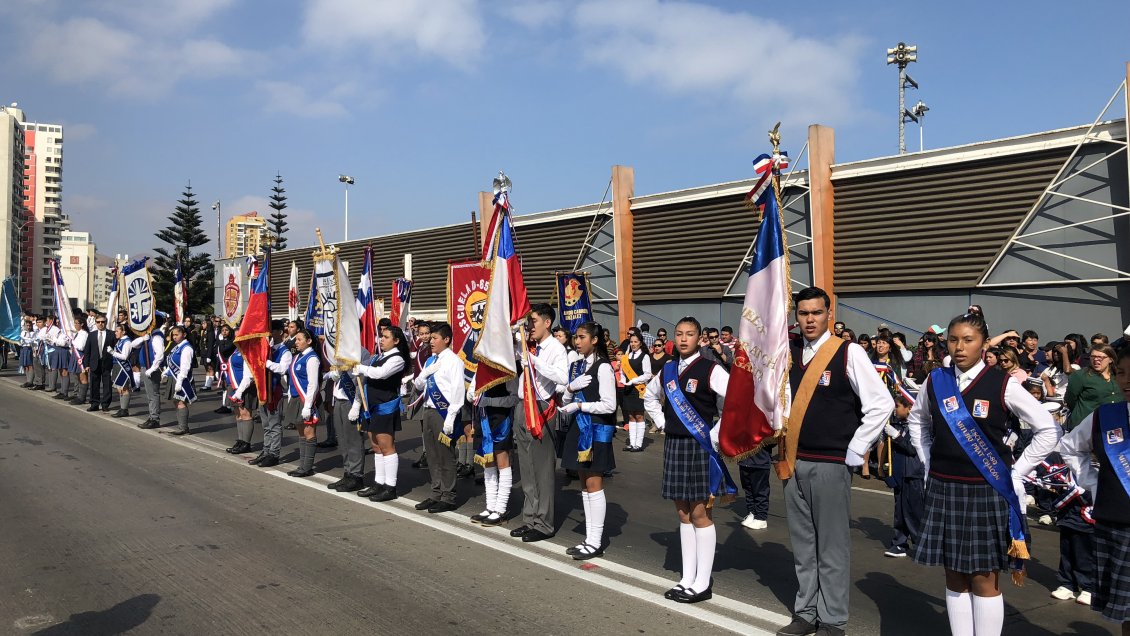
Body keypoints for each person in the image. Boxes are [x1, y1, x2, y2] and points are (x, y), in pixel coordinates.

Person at [907, 312, 1059, 636]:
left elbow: (1048, 429)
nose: (959, 347)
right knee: (954, 575)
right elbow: (917, 421)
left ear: (984, 344)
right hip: (944, 487)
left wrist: (1017, 472)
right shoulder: (936, 380)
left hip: (986, 489)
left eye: (968, 340)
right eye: (953, 340)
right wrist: (927, 462)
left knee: (983, 578)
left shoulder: (1002, 383)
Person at [775, 287, 893, 636]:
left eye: (816, 312)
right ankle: (806, 612)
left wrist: (856, 448)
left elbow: (881, 403)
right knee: (803, 545)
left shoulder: (847, 352)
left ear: (829, 313)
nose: (810, 319)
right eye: (803, 313)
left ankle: (832, 620)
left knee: (831, 546)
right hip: (793, 460)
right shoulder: (789, 353)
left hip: (830, 462)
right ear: (796, 317)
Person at [643, 316, 732, 605]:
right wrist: (662, 423)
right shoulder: (668, 369)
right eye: (679, 334)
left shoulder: (710, 368)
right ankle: (687, 577)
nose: (683, 339)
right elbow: (650, 397)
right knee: (682, 513)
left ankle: (702, 582)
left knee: (700, 514)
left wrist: (715, 434)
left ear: (699, 338)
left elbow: (732, 402)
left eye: (689, 334)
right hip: (674, 444)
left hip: (700, 446)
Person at [1057, 346, 1130, 632]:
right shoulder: (1106, 416)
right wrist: (1094, 483)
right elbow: (1070, 447)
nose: (1126, 381)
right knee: (1126, 613)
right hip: (1117, 522)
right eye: (1122, 373)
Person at [508, 303, 570, 542]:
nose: (529, 326)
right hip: (522, 406)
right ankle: (530, 518)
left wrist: (534, 361)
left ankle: (544, 523)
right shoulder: (528, 345)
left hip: (541, 409)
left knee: (542, 469)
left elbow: (562, 377)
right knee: (526, 467)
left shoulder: (556, 348)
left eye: (533, 321)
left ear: (547, 322)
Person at [558, 321, 617, 559]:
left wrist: (581, 405)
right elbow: (565, 400)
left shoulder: (603, 367)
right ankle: (589, 538)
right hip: (578, 429)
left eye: (582, 337)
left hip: (595, 429)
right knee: (584, 485)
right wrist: (570, 388)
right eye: (576, 337)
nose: (577, 341)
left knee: (594, 485)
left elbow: (609, 405)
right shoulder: (576, 366)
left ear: (594, 340)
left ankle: (596, 541)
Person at [411, 322, 466, 513]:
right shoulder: (430, 360)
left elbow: (458, 391)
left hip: (443, 412)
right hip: (428, 410)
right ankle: (436, 493)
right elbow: (418, 385)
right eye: (431, 338)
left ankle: (448, 496)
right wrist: (426, 373)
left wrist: (451, 417)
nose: (431, 341)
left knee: (445, 456)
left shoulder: (454, 361)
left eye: (435, 338)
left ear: (446, 339)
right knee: (432, 455)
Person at [352, 325, 409, 500]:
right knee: (376, 446)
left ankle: (390, 487)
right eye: (381, 336)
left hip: (385, 407)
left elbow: (380, 374)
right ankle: (379, 483)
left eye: (386, 337)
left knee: (387, 447)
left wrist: (362, 368)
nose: (381, 340)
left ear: (396, 340)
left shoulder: (397, 359)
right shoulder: (378, 356)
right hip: (371, 407)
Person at [323, 344, 371, 493]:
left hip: (351, 400)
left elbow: (361, 380)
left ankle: (356, 476)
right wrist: (334, 373)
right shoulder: (341, 351)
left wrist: (357, 404)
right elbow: (336, 374)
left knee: (354, 440)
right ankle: (348, 472)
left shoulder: (362, 353)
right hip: (339, 398)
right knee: (343, 440)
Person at [883, 394, 925, 558]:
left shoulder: (919, 426)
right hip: (900, 473)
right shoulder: (896, 424)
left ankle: (921, 545)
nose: (895, 409)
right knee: (899, 512)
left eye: (898, 406)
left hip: (913, 475)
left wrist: (897, 437)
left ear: (909, 408)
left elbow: (913, 449)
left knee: (915, 512)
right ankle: (899, 543)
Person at [252, 320, 292, 468]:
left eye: (272, 331)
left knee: (274, 424)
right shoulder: (267, 349)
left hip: (274, 390)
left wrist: (267, 363)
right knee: (265, 424)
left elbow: (283, 369)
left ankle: (274, 454)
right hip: (263, 389)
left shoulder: (285, 351)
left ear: (280, 332)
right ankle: (266, 450)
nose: (269, 334)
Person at [285, 328, 321, 476]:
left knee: (309, 432)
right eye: (296, 340)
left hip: (306, 399)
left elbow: (313, 384)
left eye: (299, 339)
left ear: (309, 341)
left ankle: (307, 467)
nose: (296, 342)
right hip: (296, 398)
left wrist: (308, 406)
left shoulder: (312, 358)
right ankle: (302, 465)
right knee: (301, 433)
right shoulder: (297, 357)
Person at [1064, 344, 1124, 431]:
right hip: (1087, 426)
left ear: (1110, 359)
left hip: (1114, 425)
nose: (1096, 359)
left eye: (1100, 357)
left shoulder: (1118, 376)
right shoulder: (1080, 376)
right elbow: (1070, 399)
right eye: (1093, 357)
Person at [220, 340, 258, 455]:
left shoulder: (249, 350)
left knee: (245, 413)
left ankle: (246, 443)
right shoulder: (236, 349)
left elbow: (250, 374)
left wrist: (240, 390)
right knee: (238, 414)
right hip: (234, 385)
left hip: (244, 386)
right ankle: (241, 440)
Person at [619, 332, 653, 452]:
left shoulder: (645, 356)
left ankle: (638, 444)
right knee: (630, 416)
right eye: (631, 342)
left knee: (639, 415)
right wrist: (623, 379)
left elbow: (647, 374)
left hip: (639, 389)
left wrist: (634, 380)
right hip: (628, 389)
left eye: (635, 342)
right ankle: (632, 443)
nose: (633, 344)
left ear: (640, 343)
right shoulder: (626, 356)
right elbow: (622, 371)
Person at [162, 325, 197, 436]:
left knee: (181, 402)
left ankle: (183, 428)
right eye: (173, 335)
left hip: (182, 379)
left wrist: (180, 381)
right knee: (176, 401)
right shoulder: (177, 346)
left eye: (177, 334)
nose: (174, 337)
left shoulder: (186, 348)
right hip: (174, 377)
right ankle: (181, 426)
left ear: (184, 334)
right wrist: (166, 372)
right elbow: (172, 361)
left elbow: (185, 367)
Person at [134, 316, 166, 429]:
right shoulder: (149, 335)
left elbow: (160, 354)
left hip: (151, 368)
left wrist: (152, 368)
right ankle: (152, 416)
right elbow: (133, 344)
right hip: (145, 367)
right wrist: (143, 339)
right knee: (150, 394)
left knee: (153, 394)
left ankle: (154, 418)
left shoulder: (156, 336)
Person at [82, 315, 115, 412]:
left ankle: (105, 404)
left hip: (107, 363)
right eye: (98, 322)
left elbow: (116, 349)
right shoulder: (91, 335)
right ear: (95, 323)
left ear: (106, 322)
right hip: (94, 363)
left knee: (107, 384)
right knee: (94, 384)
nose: (100, 324)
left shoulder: (111, 334)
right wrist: (86, 365)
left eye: (102, 322)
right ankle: (94, 404)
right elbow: (87, 351)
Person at [738, 446, 773, 531]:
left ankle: (761, 517)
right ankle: (752, 512)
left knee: (760, 490)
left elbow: (773, 442)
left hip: (760, 461)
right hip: (744, 460)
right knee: (747, 489)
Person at [109, 324, 136, 417]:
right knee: (119, 388)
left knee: (124, 388)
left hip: (123, 367)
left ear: (123, 332)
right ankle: (122, 408)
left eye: (117, 331)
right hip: (117, 365)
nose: (115, 333)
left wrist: (112, 352)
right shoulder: (120, 341)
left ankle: (124, 410)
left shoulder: (127, 342)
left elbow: (124, 356)